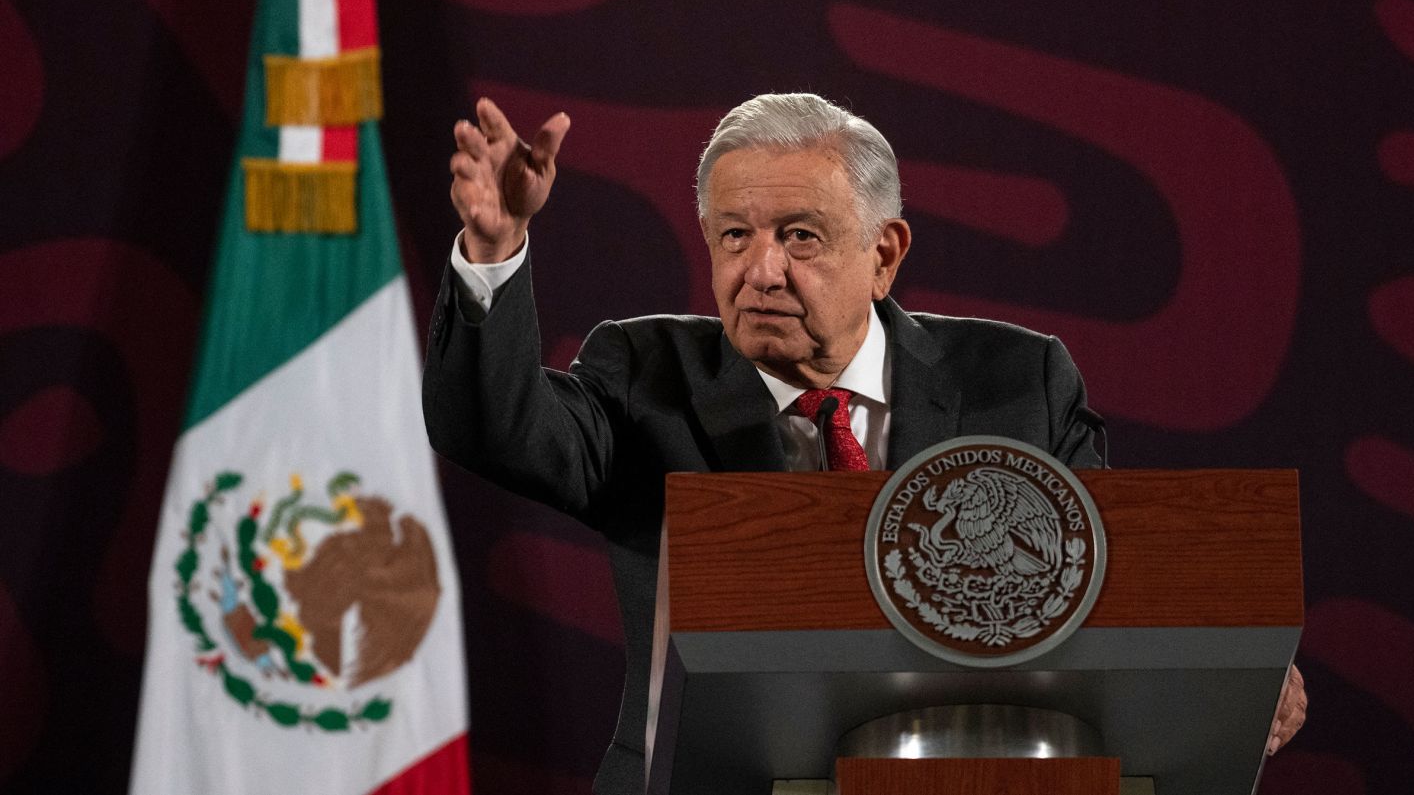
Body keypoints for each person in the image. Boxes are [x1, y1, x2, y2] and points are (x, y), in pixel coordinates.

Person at [423, 93, 1305, 793]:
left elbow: (1099, 588)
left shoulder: (1019, 381)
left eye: (799, 235)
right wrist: (493, 253)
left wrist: (1236, 668)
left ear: (884, 254)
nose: (759, 270)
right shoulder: (643, 374)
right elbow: (498, 430)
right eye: (734, 235)